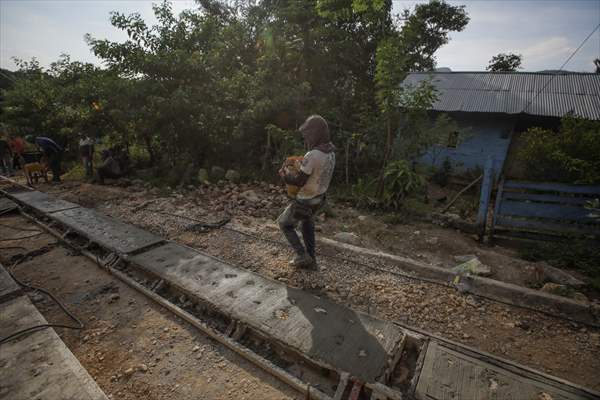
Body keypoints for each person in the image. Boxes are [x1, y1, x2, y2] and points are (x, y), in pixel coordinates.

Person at [277, 115, 335, 270]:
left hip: (305, 199)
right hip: (319, 199)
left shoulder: (313, 155)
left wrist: (284, 176)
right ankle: (312, 260)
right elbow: (317, 172)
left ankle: (302, 255)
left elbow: (299, 181)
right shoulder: (330, 152)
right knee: (307, 226)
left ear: (316, 133)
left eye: (308, 135)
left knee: (284, 224)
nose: (307, 138)